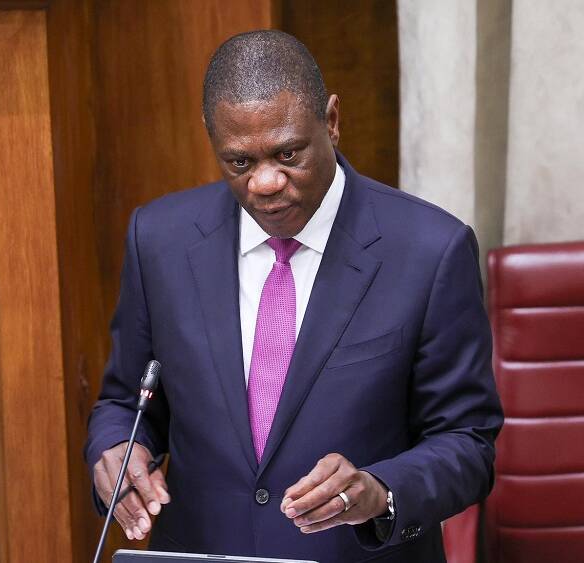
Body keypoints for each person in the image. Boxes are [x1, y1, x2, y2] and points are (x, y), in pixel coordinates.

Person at [85, 30, 503, 563]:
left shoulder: (431, 250)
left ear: (331, 121)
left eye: (288, 154)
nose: (265, 183)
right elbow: (128, 400)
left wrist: (379, 490)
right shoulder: (159, 239)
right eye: (239, 162)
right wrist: (118, 449)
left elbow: (468, 441)